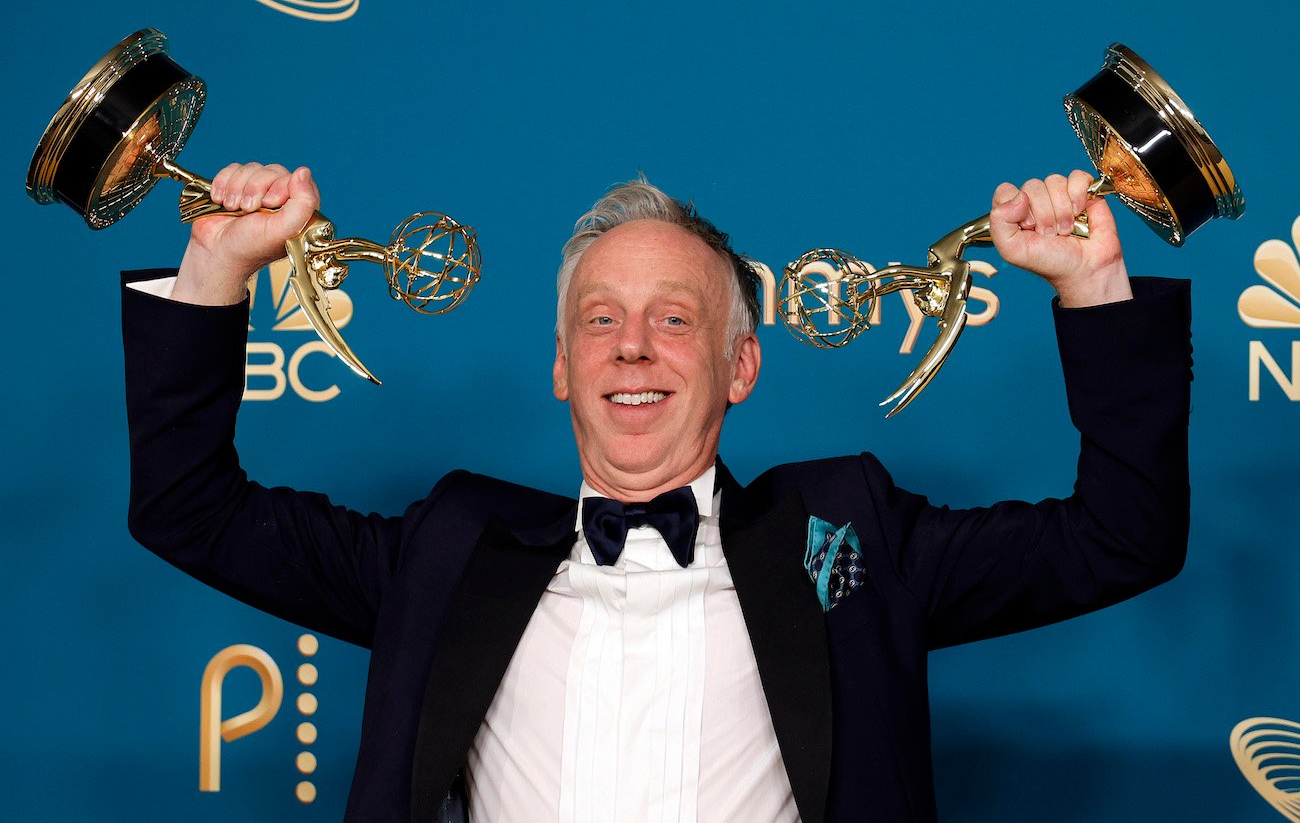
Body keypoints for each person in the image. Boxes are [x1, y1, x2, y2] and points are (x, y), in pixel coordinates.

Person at [121, 163, 1190, 823]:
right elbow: (190, 506)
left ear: (740, 366)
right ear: (559, 363)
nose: (632, 345)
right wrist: (218, 269)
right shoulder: (448, 547)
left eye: (674, 317)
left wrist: (1090, 285)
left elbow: (1121, 535)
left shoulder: (848, 535)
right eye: (599, 318)